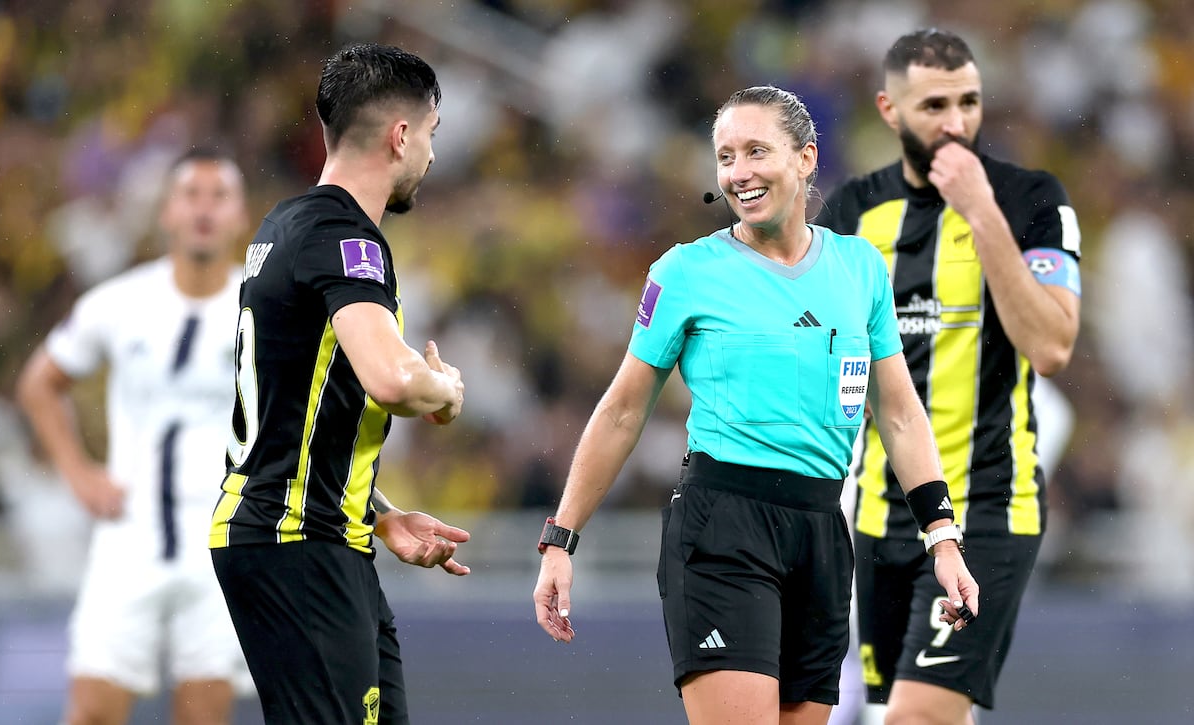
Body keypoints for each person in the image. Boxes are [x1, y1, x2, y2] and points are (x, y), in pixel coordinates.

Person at [533, 85, 980, 725]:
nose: (738, 172)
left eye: (756, 151)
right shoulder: (685, 272)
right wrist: (561, 539)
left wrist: (943, 539)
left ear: (806, 158)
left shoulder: (860, 268)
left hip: (823, 534)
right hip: (724, 528)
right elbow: (623, 411)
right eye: (725, 157)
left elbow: (901, 415)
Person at [815, 29, 1082, 725]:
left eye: (969, 101)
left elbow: (1052, 345)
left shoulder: (1030, 199)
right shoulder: (852, 213)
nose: (957, 121)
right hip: (880, 515)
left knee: (915, 715)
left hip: (989, 508)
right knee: (907, 715)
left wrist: (981, 212)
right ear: (890, 109)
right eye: (935, 105)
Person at [207, 43, 469, 725]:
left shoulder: (285, 223)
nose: (432, 156)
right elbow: (392, 381)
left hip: (318, 534)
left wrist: (377, 513)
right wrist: (445, 390)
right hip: (295, 542)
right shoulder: (344, 237)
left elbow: (297, 414)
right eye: (432, 134)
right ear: (401, 136)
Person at [16, 147, 254, 725]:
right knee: (92, 713)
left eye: (218, 196)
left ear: (241, 215)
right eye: (190, 195)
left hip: (220, 539)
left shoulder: (264, 310)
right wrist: (78, 474)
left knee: (203, 717)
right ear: (166, 211)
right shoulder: (120, 302)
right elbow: (39, 383)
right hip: (130, 534)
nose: (204, 209)